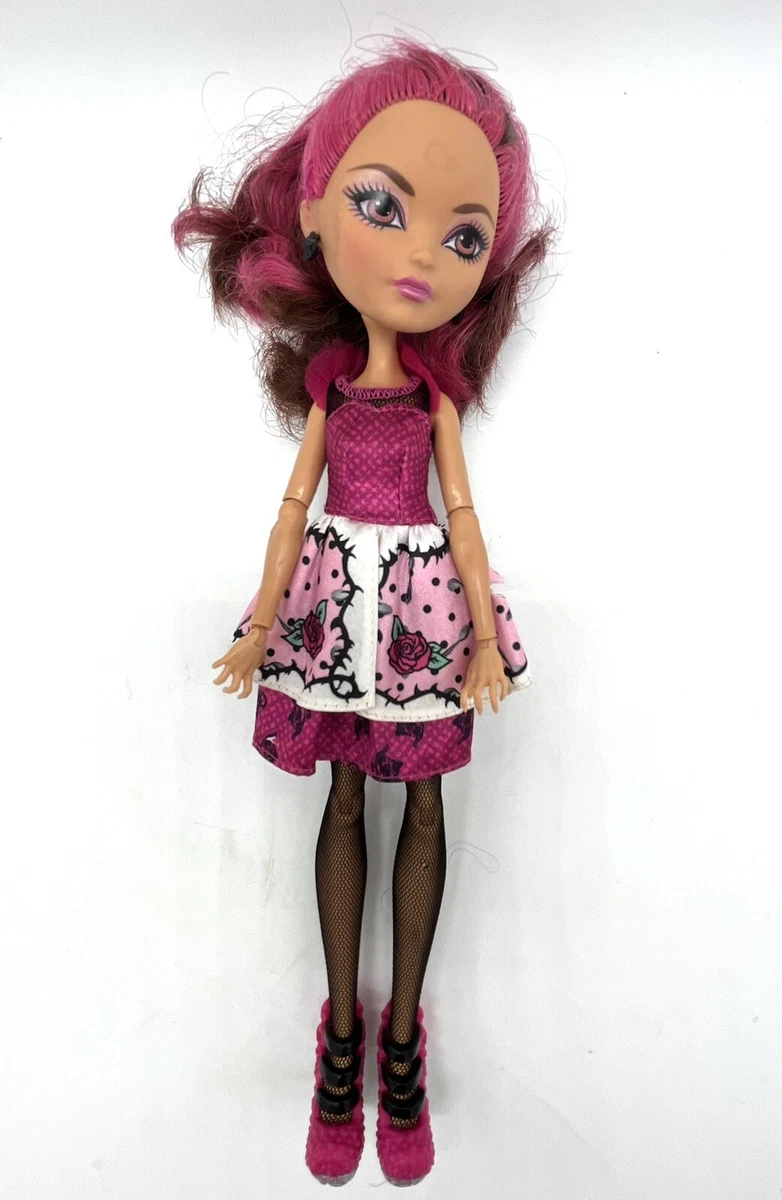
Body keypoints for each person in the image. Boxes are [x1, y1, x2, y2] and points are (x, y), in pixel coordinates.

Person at [172, 37, 552, 1186]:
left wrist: (481, 636)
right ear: (315, 215)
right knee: (344, 796)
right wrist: (259, 623)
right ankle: (339, 1033)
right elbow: (294, 507)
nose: (422, 253)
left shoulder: (432, 398)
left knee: (422, 802)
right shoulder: (333, 389)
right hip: (336, 600)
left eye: (463, 237)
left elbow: (462, 514)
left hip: (421, 606)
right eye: (382, 206)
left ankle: (401, 1039)